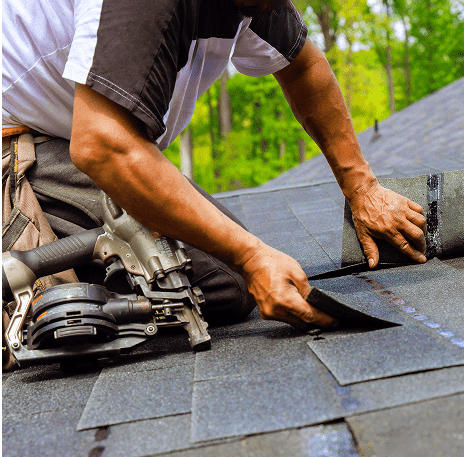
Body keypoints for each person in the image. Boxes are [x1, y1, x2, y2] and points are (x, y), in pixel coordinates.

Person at [1, 0, 427, 331]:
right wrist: (252, 255)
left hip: (84, 140)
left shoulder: (255, 4)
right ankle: (30, 303)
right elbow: (104, 147)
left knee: (223, 280)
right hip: (24, 146)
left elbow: (303, 68)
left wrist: (363, 189)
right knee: (223, 284)